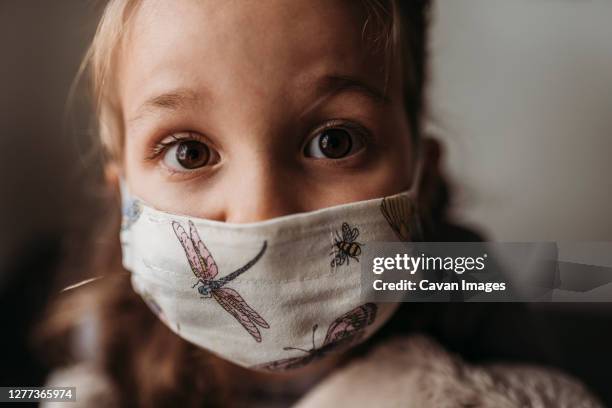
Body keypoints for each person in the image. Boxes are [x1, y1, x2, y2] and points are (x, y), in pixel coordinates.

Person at [40, 1, 601, 407]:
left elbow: (582, 279)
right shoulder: (108, 318)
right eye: (189, 152)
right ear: (126, 204)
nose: (262, 212)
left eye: (333, 142)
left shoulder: (451, 273)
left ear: (421, 177)